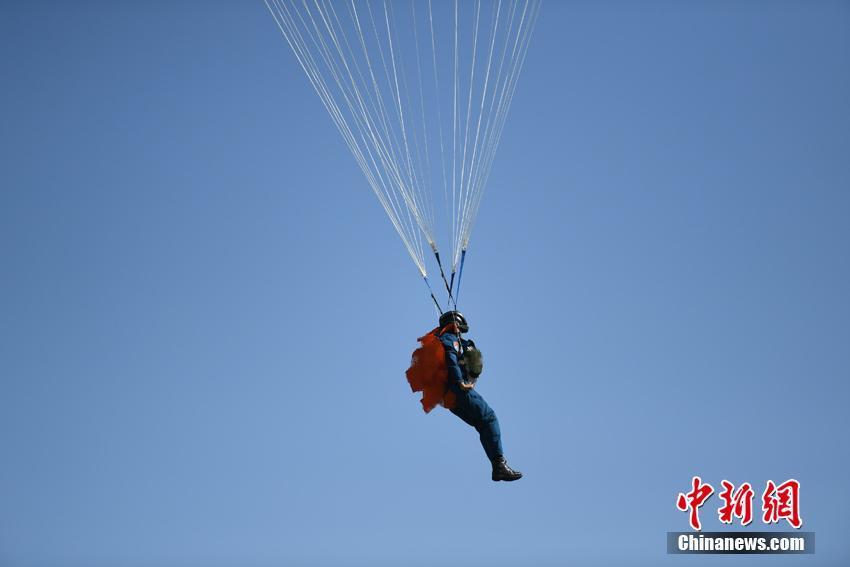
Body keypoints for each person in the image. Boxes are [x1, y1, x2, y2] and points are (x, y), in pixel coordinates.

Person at [434, 310, 523, 482]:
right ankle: (499, 465)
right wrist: (460, 381)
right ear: (458, 325)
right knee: (489, 418)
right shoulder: (450, 340)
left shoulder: (444, 340)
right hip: (458, 390)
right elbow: (452, 359)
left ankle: (497, 466)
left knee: (482, 424)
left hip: (449, 400)